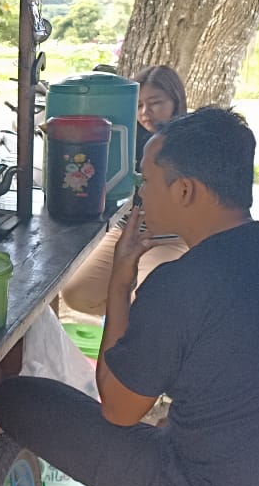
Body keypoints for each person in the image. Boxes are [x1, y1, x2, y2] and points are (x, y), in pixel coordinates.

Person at [0, 108, 259, 486]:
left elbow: (119, 410)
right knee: (201, 427)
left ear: (185, 191)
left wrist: (120, 284)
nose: (141, 196)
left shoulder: (181, 284)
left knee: (18, 398)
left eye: (148, 181)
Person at [60, 65, 189, 316]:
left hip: (170, 238)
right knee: (76, 294)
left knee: (149, 301)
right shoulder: (124, 137)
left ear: (176, 101)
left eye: (155, 103)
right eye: (139, 105)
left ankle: (137, 324)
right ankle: (132, 318)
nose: (145, 112)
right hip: (125, 232)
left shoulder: (189, 141)